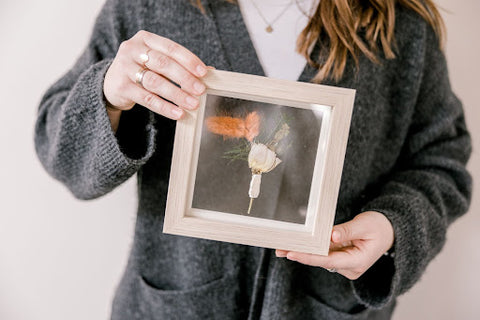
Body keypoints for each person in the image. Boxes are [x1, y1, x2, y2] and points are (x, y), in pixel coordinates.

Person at [34, 0, 472, 319]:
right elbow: (61, 153)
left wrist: (394, 227)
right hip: (171, 305)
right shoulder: (149, 8)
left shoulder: (399, 27)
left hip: (328, 307)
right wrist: (109, 94)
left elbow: (442, 157)